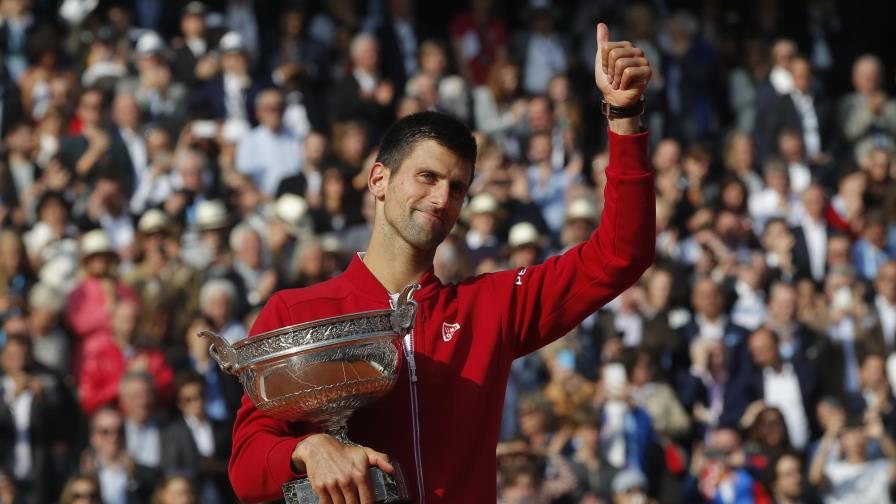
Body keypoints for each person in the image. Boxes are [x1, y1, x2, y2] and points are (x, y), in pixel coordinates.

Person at [228, 23, 654, 503]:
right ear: (378, 180)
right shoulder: (295, 311)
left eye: (457, 188)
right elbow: (246, 468)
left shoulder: (490, 307)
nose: (440, 198)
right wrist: (307, 448)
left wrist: (624, 115)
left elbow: (622, 254)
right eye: (426, 177)